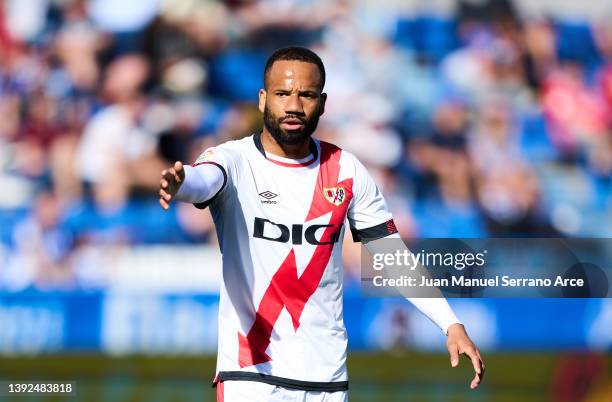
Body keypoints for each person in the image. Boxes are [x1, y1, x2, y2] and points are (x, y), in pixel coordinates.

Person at [159, 46, 484, 402]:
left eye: (306, 95)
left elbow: (392, 256)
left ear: (323, 102)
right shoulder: (234, 159)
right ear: (263, 99)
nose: (294, 106)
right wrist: (182, 184)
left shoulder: (346, 170)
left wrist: (449, 322)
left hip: (325, 379)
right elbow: (204, 180)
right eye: (283, 94)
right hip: (250, 374)